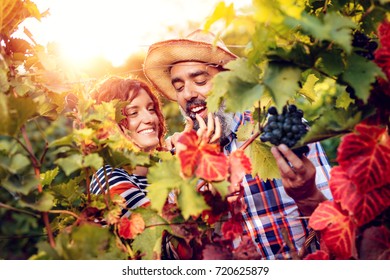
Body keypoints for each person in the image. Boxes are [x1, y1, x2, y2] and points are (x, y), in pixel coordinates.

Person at [143, 29, 332, 259]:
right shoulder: (180, 158)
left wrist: (307, 194)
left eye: (200, 80)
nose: (188, 94)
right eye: (179, 87)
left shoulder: (278, 128)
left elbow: (336, 224)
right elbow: (177, 256)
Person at [89, 77, 167, 217]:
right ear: (109, 125)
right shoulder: (108, 178)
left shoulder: (165, 164)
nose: (149, 119)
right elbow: (159, 229)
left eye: (151, 109)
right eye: (133, 113)